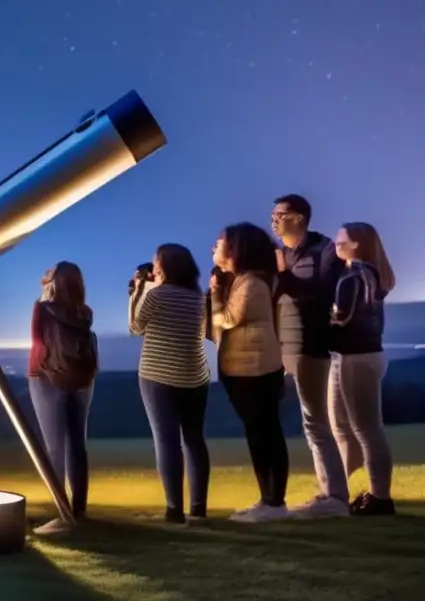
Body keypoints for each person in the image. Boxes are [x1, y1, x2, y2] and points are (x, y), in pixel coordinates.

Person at [270, 194, 350, 518]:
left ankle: (335, 497)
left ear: (299, 218)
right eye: (272, 214)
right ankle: (330, 492)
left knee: (317, 421)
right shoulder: (282, 254)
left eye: (280, 214)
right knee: (311, 421)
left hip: (314, 345)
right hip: (286, 346)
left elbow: (321, 294)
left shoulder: (325, 250)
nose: (273, 219)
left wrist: (283, 276)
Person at [210, 223, 291, 523]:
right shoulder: (243, 280)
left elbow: (228, 320)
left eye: (220, 242)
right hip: (244, 367)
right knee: (258, 433)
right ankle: (268, 499)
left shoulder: (253, 283)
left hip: (255, 369)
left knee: (265, 432)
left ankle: (274, 503)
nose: (215, 247)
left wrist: (216, 294)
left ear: (237, 249)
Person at [129, 244, 211, 525]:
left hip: (158, 376)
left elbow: (135, 326)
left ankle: (174, 510)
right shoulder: (198, 297)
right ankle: (199, 509)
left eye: (156, 260)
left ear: (165, 265)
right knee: (194, 440)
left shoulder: (158, 295)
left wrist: (139, 290)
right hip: (195, 376)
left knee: (166, 441)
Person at [329, 222, 397, 516]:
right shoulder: (371, 274)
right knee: (349, 428)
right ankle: (342, 492)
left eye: (340, 237)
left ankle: (379, 497)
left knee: (365, 430)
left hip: (355, 357)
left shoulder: (352, 276)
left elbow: (339, 320)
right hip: (366, 355)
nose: (335, 241)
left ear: (355, 243)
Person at [28, 261, 99, 535]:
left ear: (54, 281)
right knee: (77, 446)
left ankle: (61, 513)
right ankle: (79, 509)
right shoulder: (85, 313)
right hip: (81, 381)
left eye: (50, 271)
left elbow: (37, 341)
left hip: (46, 378)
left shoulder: (43, 308)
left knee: (54, 447)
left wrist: (44, 293)